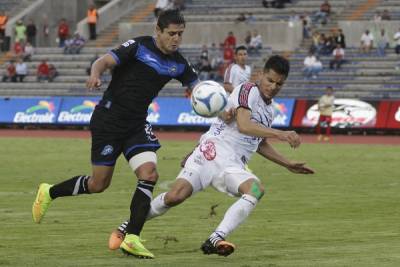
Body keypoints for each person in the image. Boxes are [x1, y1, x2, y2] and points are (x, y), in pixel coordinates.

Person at [32, 9, 198, 259]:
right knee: (99, 184)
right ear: (159, 32)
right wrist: (95, 74)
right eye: (172, 33)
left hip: (136, 125)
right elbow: (104, 61)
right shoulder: (139, 46)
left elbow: (198, 88)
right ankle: (49, 192)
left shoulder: (179, 63)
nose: (176, 39)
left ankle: (131, 237)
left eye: (180, 34)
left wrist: (212, 96)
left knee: (149, 174)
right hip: (108, 120)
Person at [109, 55, 314, 257]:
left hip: (233, 165)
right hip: (211, 153)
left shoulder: (270, 111)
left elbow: (259, 143)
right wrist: (282, 133)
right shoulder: (247, 89)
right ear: (260, 75)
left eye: (279, 84)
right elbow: (244, 125)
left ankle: (216, 238)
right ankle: (128, 226)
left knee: (255, 190)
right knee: (175, 196)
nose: (273, 86)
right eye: (270, 80)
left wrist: (287, 163)